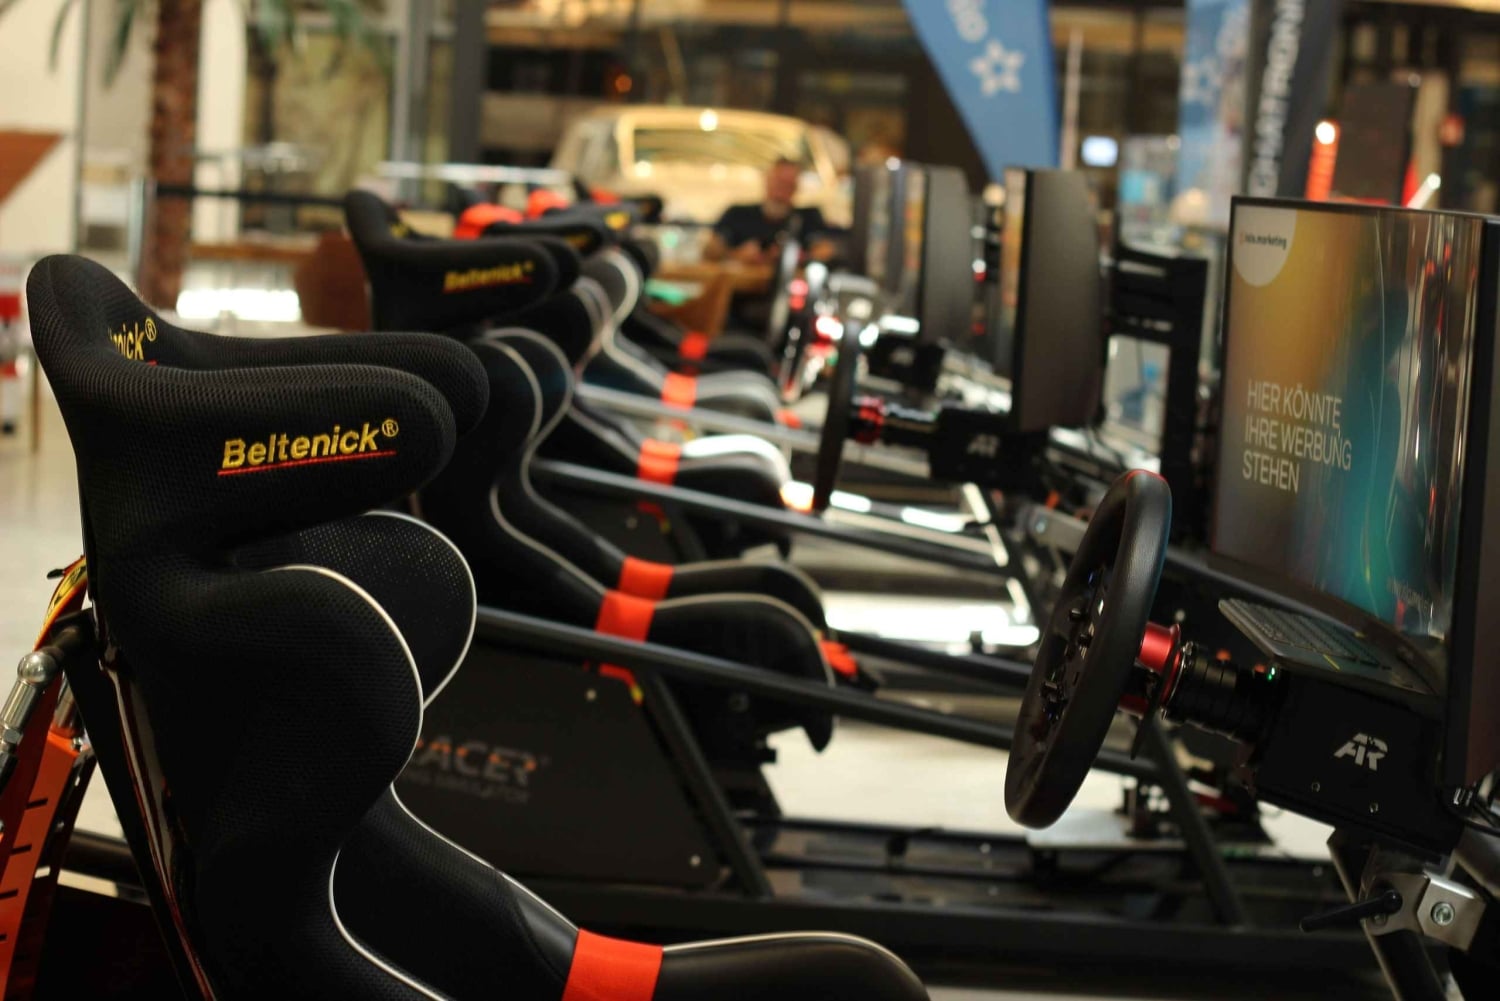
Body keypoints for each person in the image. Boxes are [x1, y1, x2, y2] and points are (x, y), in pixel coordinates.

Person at [704, 157, 837, 266]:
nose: (782, 191)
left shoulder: (808, 217)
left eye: (788, 185)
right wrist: (737, 255)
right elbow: (710, 250)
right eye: (779, 182)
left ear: (796, 187)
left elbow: (825, 250)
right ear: (767, 180)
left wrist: (798, 257)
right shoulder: (737, 214)